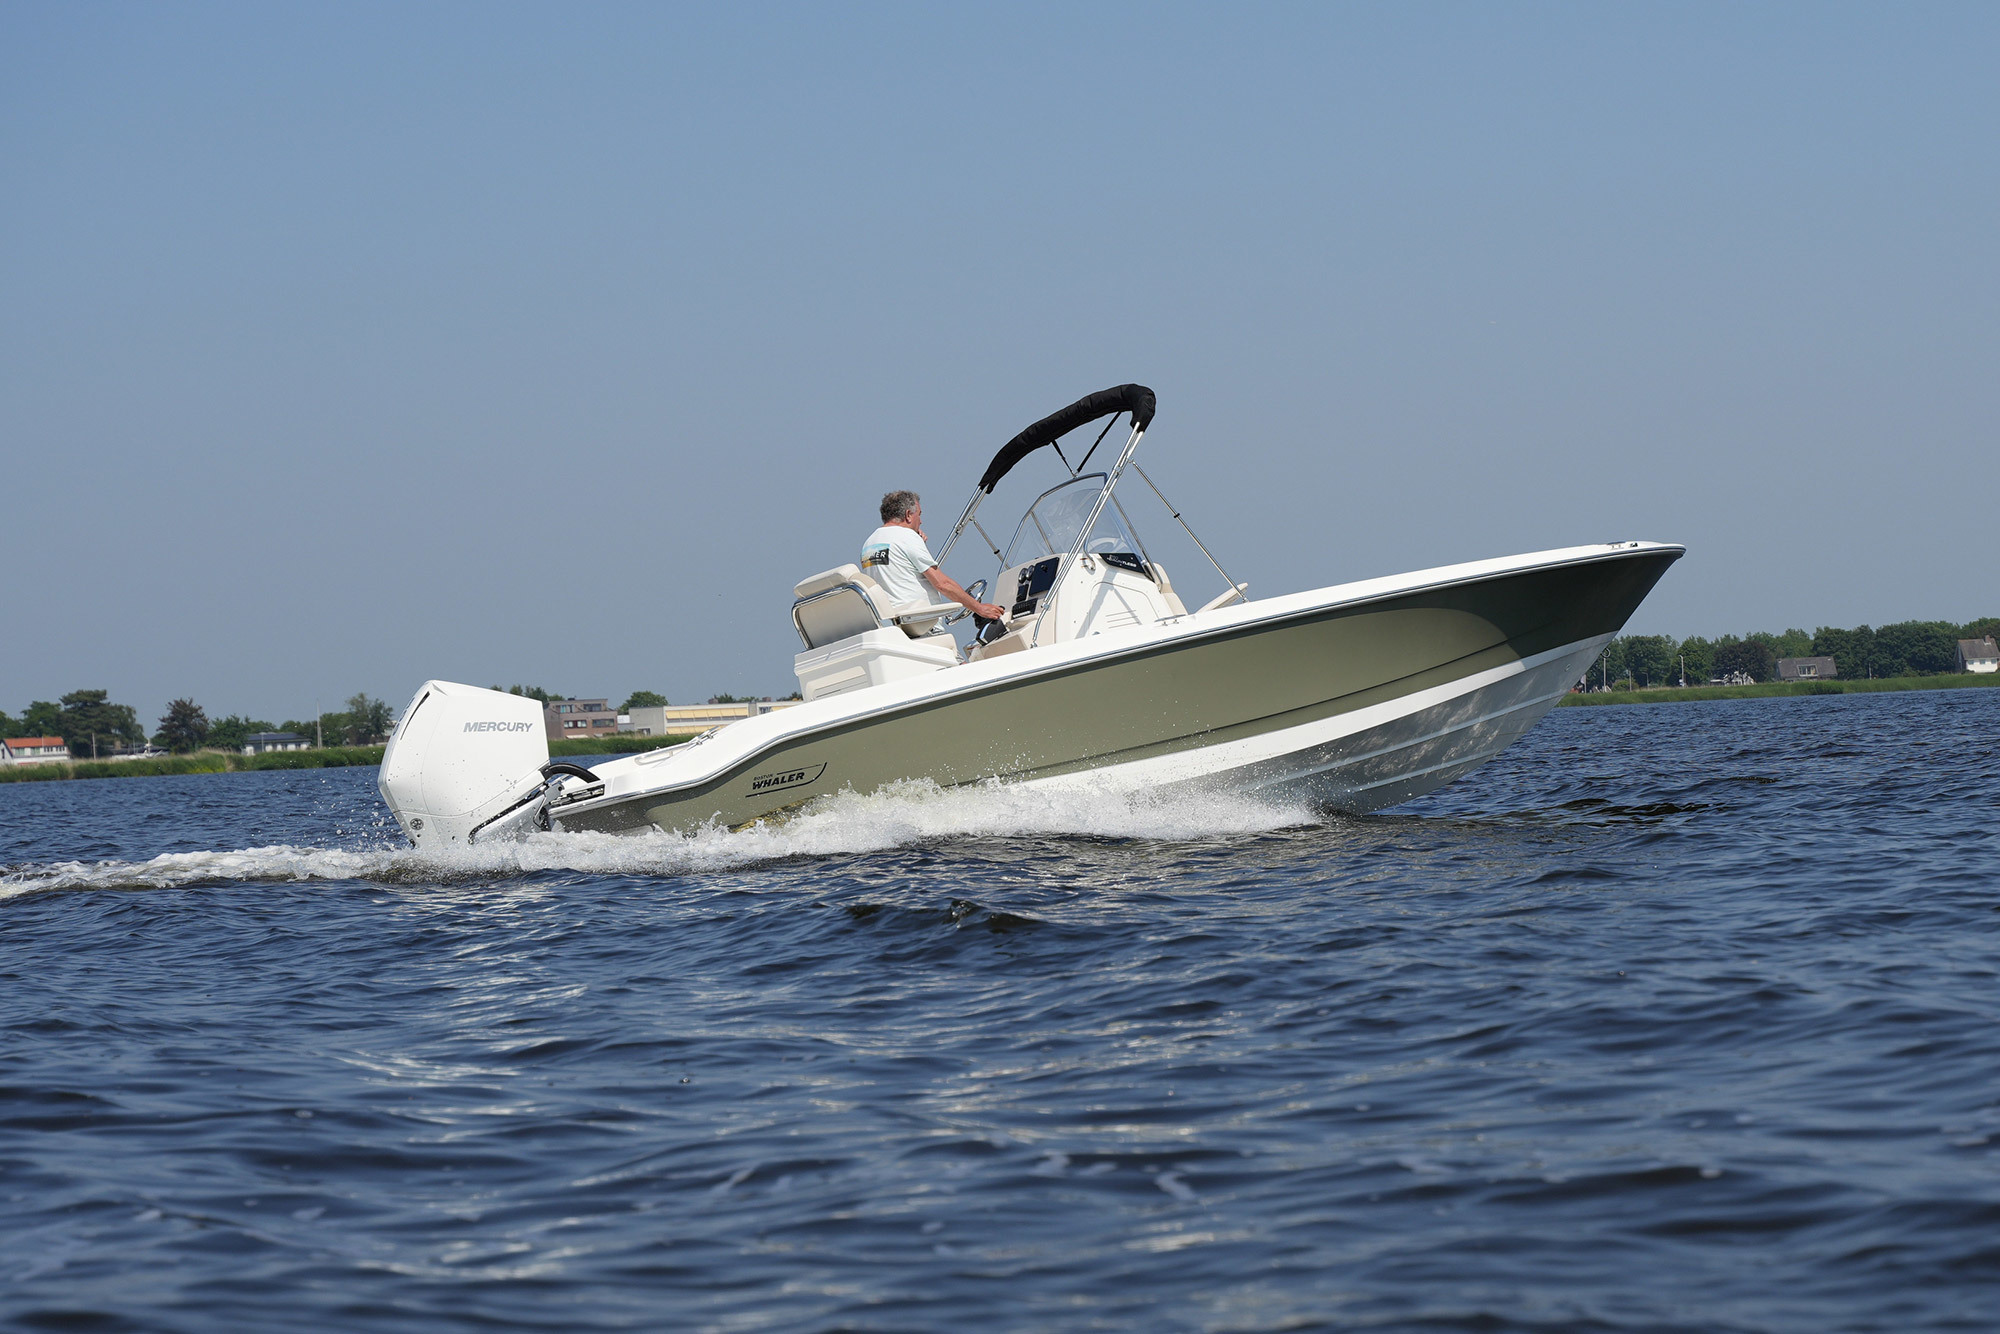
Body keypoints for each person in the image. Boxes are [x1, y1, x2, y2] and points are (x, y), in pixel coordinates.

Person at [862, 491, 1007, 626]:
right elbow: (942, 584)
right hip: (920, 627)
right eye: (919, 514)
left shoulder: (870, 543)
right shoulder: (907, 538)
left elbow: (896, 574)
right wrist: (979, 608)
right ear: (908, 515)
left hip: (890, 625)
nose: (921, 522)